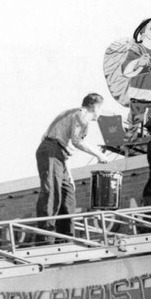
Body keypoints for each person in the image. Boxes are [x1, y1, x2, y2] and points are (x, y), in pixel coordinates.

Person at [35, 93, 106, 239]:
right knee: (52, 191)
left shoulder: (71, 113)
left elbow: (65, 146)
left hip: (58, 153)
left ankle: (65, 237)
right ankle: (45, 236)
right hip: (51, 151)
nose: (100, 112)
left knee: (68, 194)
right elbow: (77, 141)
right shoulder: (81, 116)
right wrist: (99, 154)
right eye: (100, 108)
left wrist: (69, 176)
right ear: (95, 107)